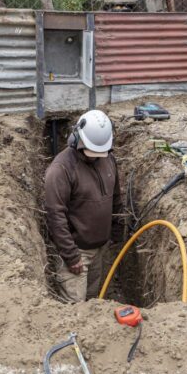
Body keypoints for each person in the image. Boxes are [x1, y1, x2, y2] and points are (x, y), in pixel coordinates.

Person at [45, 110, 123, 303]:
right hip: (77, 251)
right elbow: (55, 216)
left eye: (100, 153)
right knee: (75, 310)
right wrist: (71, 256)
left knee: (93, 301)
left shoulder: (108, 159)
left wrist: (117, 234)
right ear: (76, 138)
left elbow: (116, 199)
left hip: (101, 249)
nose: (96, 157)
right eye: (91, 152)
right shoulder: (60, 170)